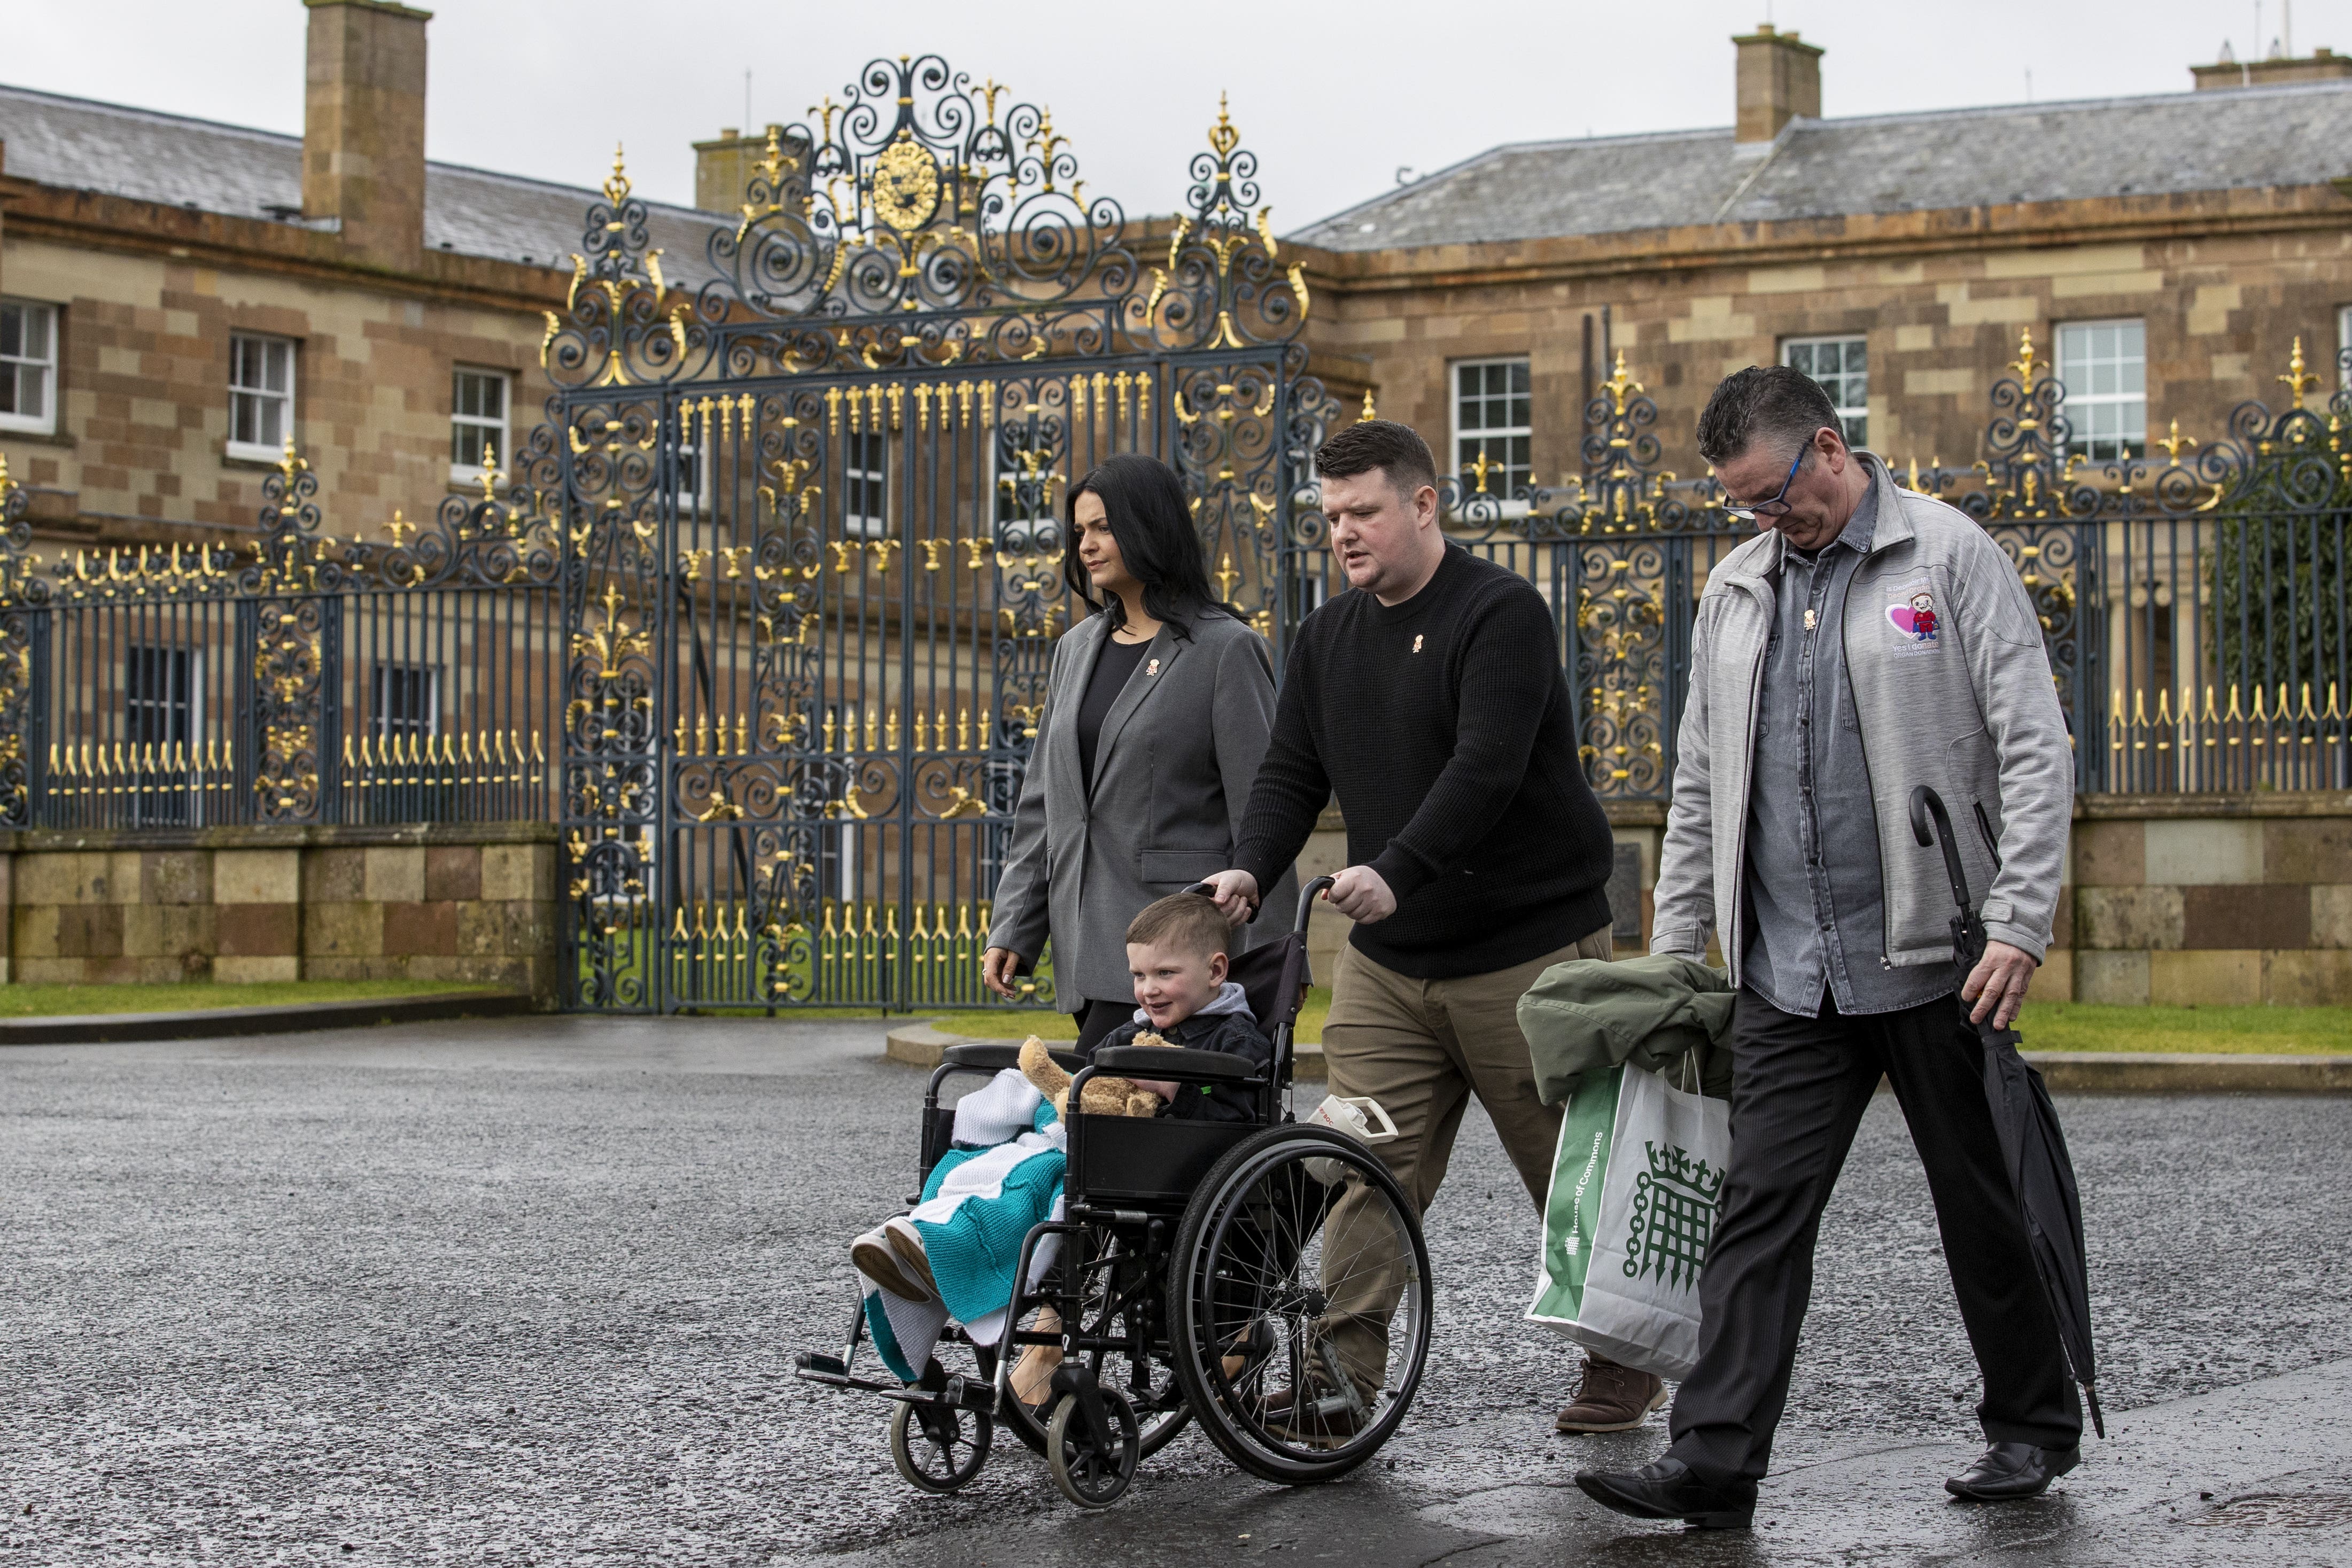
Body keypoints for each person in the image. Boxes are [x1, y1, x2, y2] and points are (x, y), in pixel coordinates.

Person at [1574, 367, 2080, 1531]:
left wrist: (2017, 922)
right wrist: (1678, 941)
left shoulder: (1945, 558)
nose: (1764, 520)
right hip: (1786, 969)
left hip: (1935, 955)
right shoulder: (1736, 589)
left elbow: (2035, 746)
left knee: (1981, 1199)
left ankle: (2027, 1429)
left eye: (1773, 494)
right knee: (1756, 1210)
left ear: (1830, 448)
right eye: (1742, 505)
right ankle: (1712, 1462)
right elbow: (1699, 774)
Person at [1204, 419, 1637, 1442]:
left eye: (1363, 511)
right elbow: (1288, 775)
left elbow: (1485, 763)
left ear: (1423, 502)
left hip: (1527, 953)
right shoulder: (1324, 638)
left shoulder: (1501, 612)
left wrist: (1398, 867)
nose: (1344, 534)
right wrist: (1251, 865)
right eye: (1331, 517)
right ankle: (1338, 1376)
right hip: (1394, 965)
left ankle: (1624, 1359)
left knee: (1569, 1170)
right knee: (1358, 1166)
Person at [849, 893, 1271, 1392]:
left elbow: (1240, 1117)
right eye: (1138, 976)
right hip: (1095, 1155)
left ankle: (943, 1251)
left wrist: (1179, 1088)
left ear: (1216, 971)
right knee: (989, 1165)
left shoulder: (1234, 1040)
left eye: (1164, 975)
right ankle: (924, 1242)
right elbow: (1080, 1089)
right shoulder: (1125, 1034)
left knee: (1037, 1186)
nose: (1147, 991)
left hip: (1170, 1170)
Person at [985, 453, 1295, 1052]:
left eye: (1103, 528)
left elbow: (1265, 810)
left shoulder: (1224, 650)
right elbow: (1044, 805)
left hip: (1176, 951)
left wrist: (1281, 962)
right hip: (1086, 943)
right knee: (1115, 1126)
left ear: (1149, 528)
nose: (1086, 546)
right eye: (1080, 532)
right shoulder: (1076, 648)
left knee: (1106, 1118)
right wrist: (1015, 928)